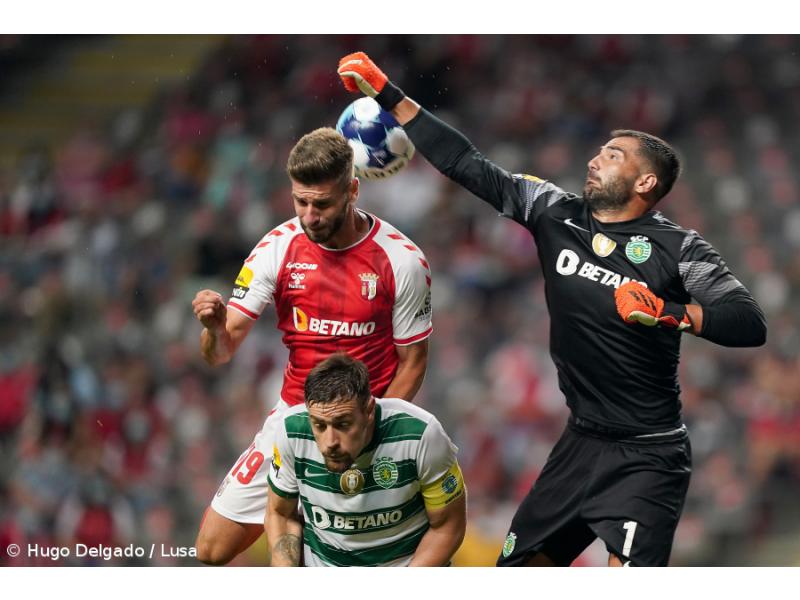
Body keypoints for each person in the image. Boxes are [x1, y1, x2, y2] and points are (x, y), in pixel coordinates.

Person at [337, 52, 767, 567]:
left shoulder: (680, 250)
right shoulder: (552, 211)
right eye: (600, 151)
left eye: (612, 156)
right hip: (580, 442)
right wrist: (389, 93)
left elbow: (749, 322)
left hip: (649, 455)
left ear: (646, 183)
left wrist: (672, 312)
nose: (595, 159)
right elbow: (468, 165)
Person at [191, 127, 433, 565]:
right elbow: (220, 352)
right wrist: (213, 329)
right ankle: (299, 510)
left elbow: (413, 363)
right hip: (296, 418)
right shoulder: (276, 248)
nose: (310, 216)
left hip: (363, 425)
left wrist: (368, 435)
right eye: (300, 202)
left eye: (322, 204)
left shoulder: (401, 260)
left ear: (353, 190)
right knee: (210, 548)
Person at [266, 352, 466, 566]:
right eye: (319, 425)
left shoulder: (421, 435)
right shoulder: (291, 432)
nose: (330, 441)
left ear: (369, 410)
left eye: (343, 424)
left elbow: (447, 527)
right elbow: (280, 514)